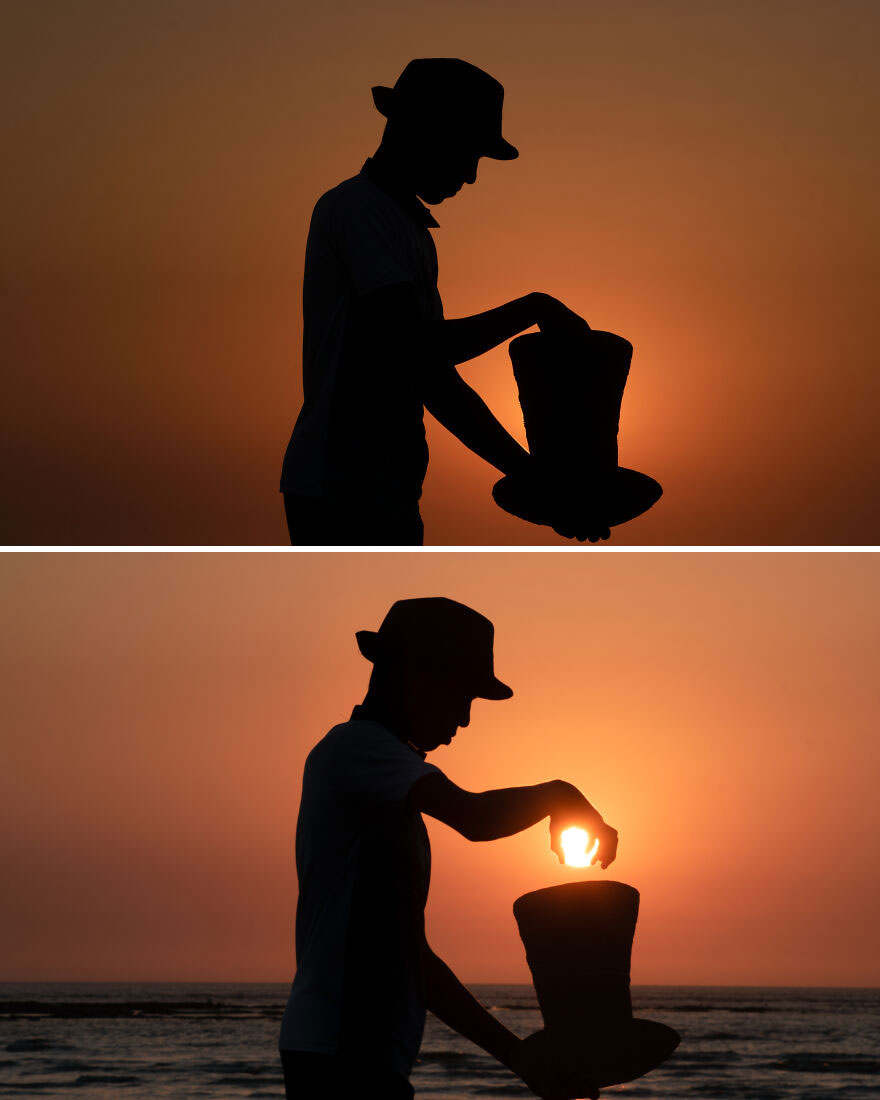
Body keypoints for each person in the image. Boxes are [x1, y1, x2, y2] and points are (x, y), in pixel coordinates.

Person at [278, 597, 619, 1100]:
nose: (464, 718)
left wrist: (521, 1060)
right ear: (419, 674)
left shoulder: (384, 785)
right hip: (340, 1056)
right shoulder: (359, 750)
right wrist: (560, 794)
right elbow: (474, 818)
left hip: (363, 1058)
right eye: (463, 695)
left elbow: (412, 958)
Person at [279, 58, 609, 545]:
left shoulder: (406, 228)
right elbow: (420, 349)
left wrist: (533, 480)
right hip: (338, 488)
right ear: (427, 133)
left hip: (386, 493)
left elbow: (433, 381)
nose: (471, 176)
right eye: (468, 154)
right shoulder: (357, 210)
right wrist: (532, 308)